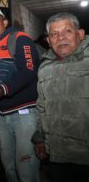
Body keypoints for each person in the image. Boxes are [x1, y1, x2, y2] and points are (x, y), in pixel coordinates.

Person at [0, 8, 40, 182]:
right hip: (2, 115)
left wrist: (2, 89)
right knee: (8, 166)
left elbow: (28, 71)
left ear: (5, 23)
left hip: (23, 115)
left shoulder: (19, 38)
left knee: (26, 167)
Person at [31, 12, 89, 181]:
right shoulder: (45, 67)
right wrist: (39, 139)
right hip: (57, 154)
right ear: (48, 41)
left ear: (80, 34)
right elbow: (41, 106)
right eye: (54, 34)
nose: (60, 37)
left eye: (67, 31)